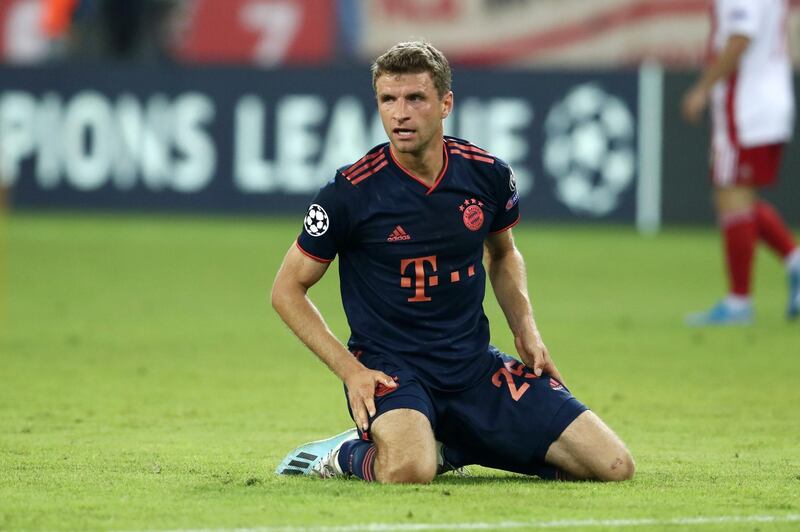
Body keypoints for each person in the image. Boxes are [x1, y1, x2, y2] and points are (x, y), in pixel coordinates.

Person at [271, 41, 634, 484]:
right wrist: (352, 372)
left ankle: (454, 440)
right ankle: (344, 455)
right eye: (388, 99)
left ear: (445, 104)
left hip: (472, 366)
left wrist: (526, 331)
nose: (400, 113)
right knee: (408, 469)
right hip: (392, 368)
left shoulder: (487, 175)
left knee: (612, 465)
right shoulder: (351, 193)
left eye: (415, 99)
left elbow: (502, 254)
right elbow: (287, 290)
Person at [682, 0, 800, 326]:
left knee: (732, 201)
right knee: (740, 202)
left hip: (745, 107)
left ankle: (739, 302)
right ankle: (794, 260)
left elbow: (740, 38)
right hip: (771, 99)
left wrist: (702, 88)